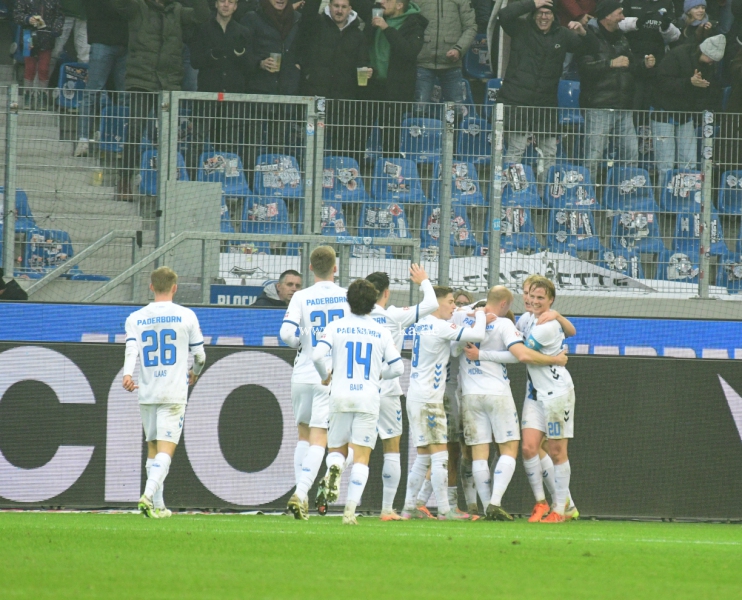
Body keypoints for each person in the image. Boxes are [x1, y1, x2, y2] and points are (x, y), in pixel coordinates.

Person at [452, 285, 568, 521]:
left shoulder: (465, 320)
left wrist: (475, 315)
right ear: (504, 303)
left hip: (470, 395)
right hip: (497, 394)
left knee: (479, 453)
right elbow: (519, 355)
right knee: (509, 448)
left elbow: (454, 349)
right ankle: (495, 502)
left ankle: (486, 506)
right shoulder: (504, 324)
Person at [311, 279, 404, 525]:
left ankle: (335, 467)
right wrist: (380, 374)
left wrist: (324, 376)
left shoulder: (335, 326)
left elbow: (317, 355)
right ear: (373, 303)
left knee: (337, 451)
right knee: (362, 457)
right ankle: (349, 512)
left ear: (348, 301)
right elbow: (398, 367)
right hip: (368, 398)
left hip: (340, 395)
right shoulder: (381, 331)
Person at [354, 265, 438, 521]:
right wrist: (423, 281)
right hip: (388, 391)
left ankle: (346, 499)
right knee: (391, 447)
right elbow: (432, 304)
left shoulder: (354, 318)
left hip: (361, 389)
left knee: (356, 449)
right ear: (386, 293)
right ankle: (387, 509)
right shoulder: (393, 316)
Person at [122, 267, 206, 518]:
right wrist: (195, 372)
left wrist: (127, 375)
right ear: (175, 288)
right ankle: (148, 496)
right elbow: (200, 355)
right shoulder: (186, 315)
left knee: (153, 447)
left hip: (147, 391)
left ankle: (158, 506)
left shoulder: (135, 317)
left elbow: (131, 350)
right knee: (166, 449)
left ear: (151, 287)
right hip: (173, 391)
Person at [401, 286, 490, 520]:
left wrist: (462, 335)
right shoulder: (439, 326)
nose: (453, 306)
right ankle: (444, 509)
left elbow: (451, 350)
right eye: (450, 302)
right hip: (430, 399)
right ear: (437, 303)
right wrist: (480, 314)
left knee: (423, 456)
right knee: (441, 455)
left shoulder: (422, 324)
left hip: (416, 395)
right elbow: (478, 334)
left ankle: (409, 507)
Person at [110, 0, 210, 201]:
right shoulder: (138, 6)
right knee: (135, 131)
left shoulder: (177, 10)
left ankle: (168, 183)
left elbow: (202, 16)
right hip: (141, 80)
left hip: (168, 82)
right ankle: (125, 180)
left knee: (169, 136)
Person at [280, 246, 350, 520]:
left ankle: (301, 496)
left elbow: (286, 333)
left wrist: (303, 343)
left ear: (310, 268)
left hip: (302, 372)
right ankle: (301, 494)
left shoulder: (301, 296)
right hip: (329, 375)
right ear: (335, 268)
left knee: (303, 435)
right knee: (320, 437)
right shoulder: (346, 296)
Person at [495, 0, 594, 185]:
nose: (543, 17)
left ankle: (545, 193)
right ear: (533, 15)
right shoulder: (520, 28)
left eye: (548, 13)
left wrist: (583, 33)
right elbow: (504, 15)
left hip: (546, 103)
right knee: (516, 150)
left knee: (549, 152)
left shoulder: (563, 34)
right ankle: (508, 192)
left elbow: (591, 48)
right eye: (539, 13)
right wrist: (532, 3)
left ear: (554, 16)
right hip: (517, 100)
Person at [513, 275, 579, 521]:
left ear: (550, 300)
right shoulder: (527, 319)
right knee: (529, 447)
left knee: (556, 450)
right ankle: (542, 503)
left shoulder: (547, 325)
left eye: (540, 297)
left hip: (556, 393)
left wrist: (482, 354)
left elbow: (522, 354)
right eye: (531, 295)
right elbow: (571, 331)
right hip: (536, 394)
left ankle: (561, 509)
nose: (534, 300)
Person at [579, 0, 655, 184]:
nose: (623, 17)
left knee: (631, 153)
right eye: (619, 13)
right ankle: (587, 192)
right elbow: (584, 68)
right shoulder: (589, 37)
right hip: (599, 106)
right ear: (607, 15)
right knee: (593, 156)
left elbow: (631, 66)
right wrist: (610, 63)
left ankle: (625, 192)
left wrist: (644, 65)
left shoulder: (622, 38)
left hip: (623, 106)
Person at [295, 0, 372, 156]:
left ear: (350, 9)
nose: (339, 10)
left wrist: (370, 70)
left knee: (340, 147)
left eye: (343, 7)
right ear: (329, 6)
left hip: (343, 99)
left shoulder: (358, 34)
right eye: (336, 6)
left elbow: (363, 62)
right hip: (316, 95)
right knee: (312, 145)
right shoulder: (316, 25)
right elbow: (307, 15)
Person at [352, 0, 428, 155]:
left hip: (395, 89)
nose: (382, 1)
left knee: (390, 138)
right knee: (359, 134)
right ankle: (356, 167)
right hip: (370, 85)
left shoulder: (414, 24)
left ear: (399, 5)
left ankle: (389, 170)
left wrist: (386, 28)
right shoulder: (376, 12)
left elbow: (409, 52)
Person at [652, 33, 725, 175]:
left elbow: (708, 90)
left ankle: (688, 189)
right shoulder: (677, 55)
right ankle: (664, 189)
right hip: (664, 113)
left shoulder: (708, 66)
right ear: (704, 51)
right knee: (666, 161)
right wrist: (689, 82)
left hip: (686, 114)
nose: (711, 62)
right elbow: (661, 82)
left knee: (689, 161)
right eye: (711, 58)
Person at [190, 0, 252, 165]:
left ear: (236, 6)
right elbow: (194, 61)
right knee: (197, 141)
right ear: (216, 4)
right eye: (222, 1)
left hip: (232, 94)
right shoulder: (202, 29)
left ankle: (224, 178)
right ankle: (192, 176)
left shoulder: (244, 32)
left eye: (230, 2)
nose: (226, 5)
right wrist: (211, 55)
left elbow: (250, 66)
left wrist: (241, 54)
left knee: (228, 144)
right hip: (207, 92)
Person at [74, 0, 129, 158]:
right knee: (92, 91)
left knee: (125, 95)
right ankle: (83, 139)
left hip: (125, 41)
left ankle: (121, 140)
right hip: (102, 40)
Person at [620, 0, 680, 110]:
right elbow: (618, 24)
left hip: (657, 57)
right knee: (636, 95)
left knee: (652, 95)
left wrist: (666, 27)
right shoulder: (629, 2)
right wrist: (637, 22)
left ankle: (649, 120)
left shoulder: (667, 3)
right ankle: (634, 119)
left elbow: (675, 36)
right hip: (633, 56)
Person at [414, 0, 476, 107]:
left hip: (452, 64)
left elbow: (470, 27)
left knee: (454, 112)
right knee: (419, 110)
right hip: (422, 63)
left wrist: (458, 49)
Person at [14, 0, 65, 110]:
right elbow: (17, 15)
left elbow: (60, 16)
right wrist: (27, 19)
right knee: (29, 68)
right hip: (28, 37)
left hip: (47, 38)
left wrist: (56, 29)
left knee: (44, 68)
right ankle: (27, 95)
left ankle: (43, 95)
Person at [49, 0, 90, 76]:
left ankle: (81, 82)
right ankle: (41, 83)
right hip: (62, 13)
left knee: (84, 57)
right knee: (54, 52)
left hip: (84, 14)